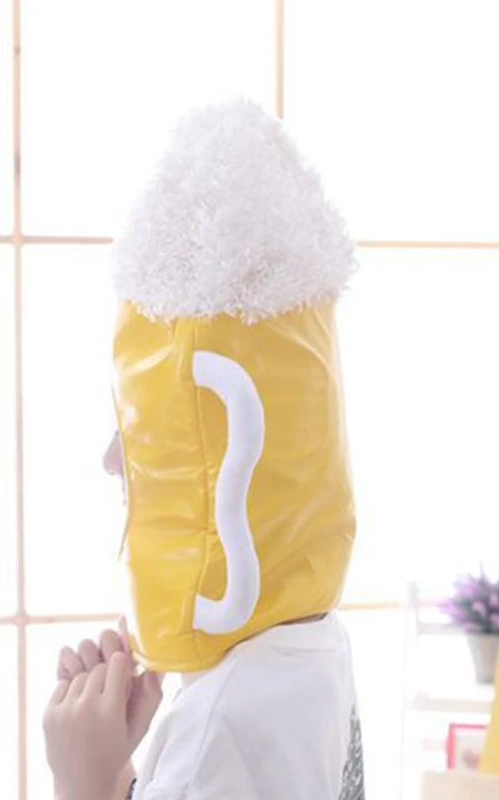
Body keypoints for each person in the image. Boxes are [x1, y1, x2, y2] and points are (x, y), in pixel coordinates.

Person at [44, 98, 365, 799]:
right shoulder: (308, 647)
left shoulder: (221, 726)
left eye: (146, 425)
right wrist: (119, 768)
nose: (111, 460)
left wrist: (81, 781)